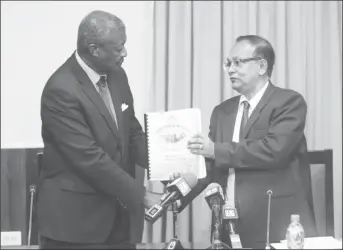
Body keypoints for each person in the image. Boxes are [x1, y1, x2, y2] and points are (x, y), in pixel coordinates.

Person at [37, 10, 161, 248]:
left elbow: (131, 132)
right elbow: (89, 158)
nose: (125, 53)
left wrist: (164, 165)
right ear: (94, 49)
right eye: (119, 48)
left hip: (120, 221)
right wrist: (143, 196)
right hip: (76, 225)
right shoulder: (61, 90)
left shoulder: (117, 75)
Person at [179, 35, 318, 248]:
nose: (230, 69)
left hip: (275, 223)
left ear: (262, 66)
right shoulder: (222, 112)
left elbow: (273, 150)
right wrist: (180, 189)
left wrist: (214, 149)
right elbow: (210, 166)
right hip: (228, 226)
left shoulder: (288, 102)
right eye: (228, 63)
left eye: (238, 62)